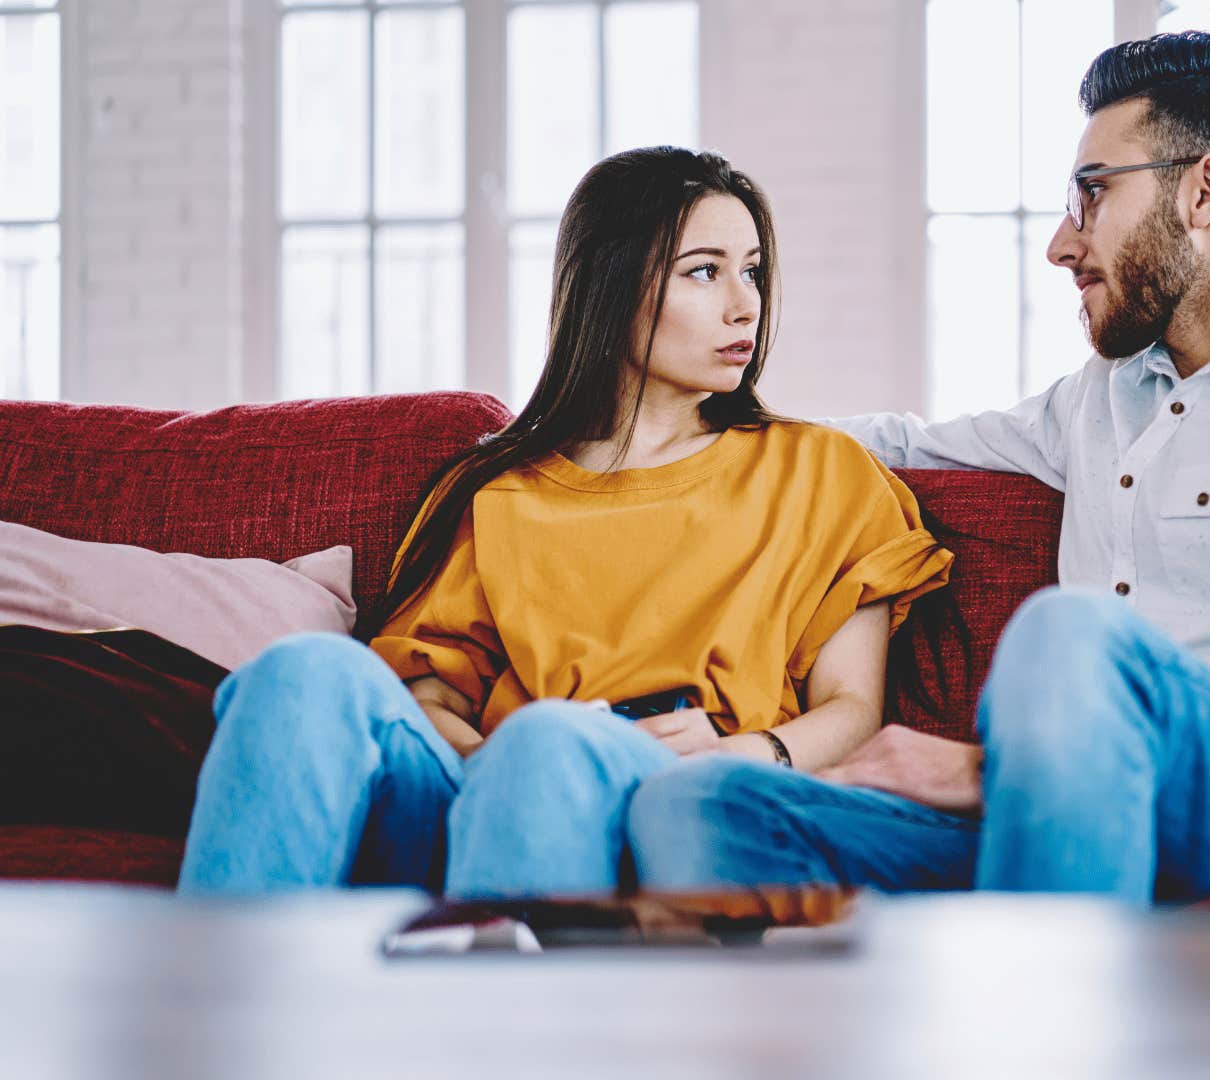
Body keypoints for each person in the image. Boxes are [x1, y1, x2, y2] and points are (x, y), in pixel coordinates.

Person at [626, 33, 1210, 906]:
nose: (1063, 246)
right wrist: (658, 431)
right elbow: (902, 444)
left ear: (1208, 190)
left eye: (1092, 193)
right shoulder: (1107, 396)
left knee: (1070, 634)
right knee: (700, 804)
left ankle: (1049, 1021)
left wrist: (1001, 765)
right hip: (1050, 808)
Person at [177, 148, 952, 897]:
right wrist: (491, 766)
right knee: (301, 670)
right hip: (480, 794)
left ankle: (513, 1015)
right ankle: (219, 1012)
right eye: (705, 272)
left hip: (665, 793)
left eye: (751, 271)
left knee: (551, 740)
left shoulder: (821, 472)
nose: (744, 303)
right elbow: (432, 697)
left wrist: (745, 752)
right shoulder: (503, 492)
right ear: (611, 287)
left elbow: (854, 708)